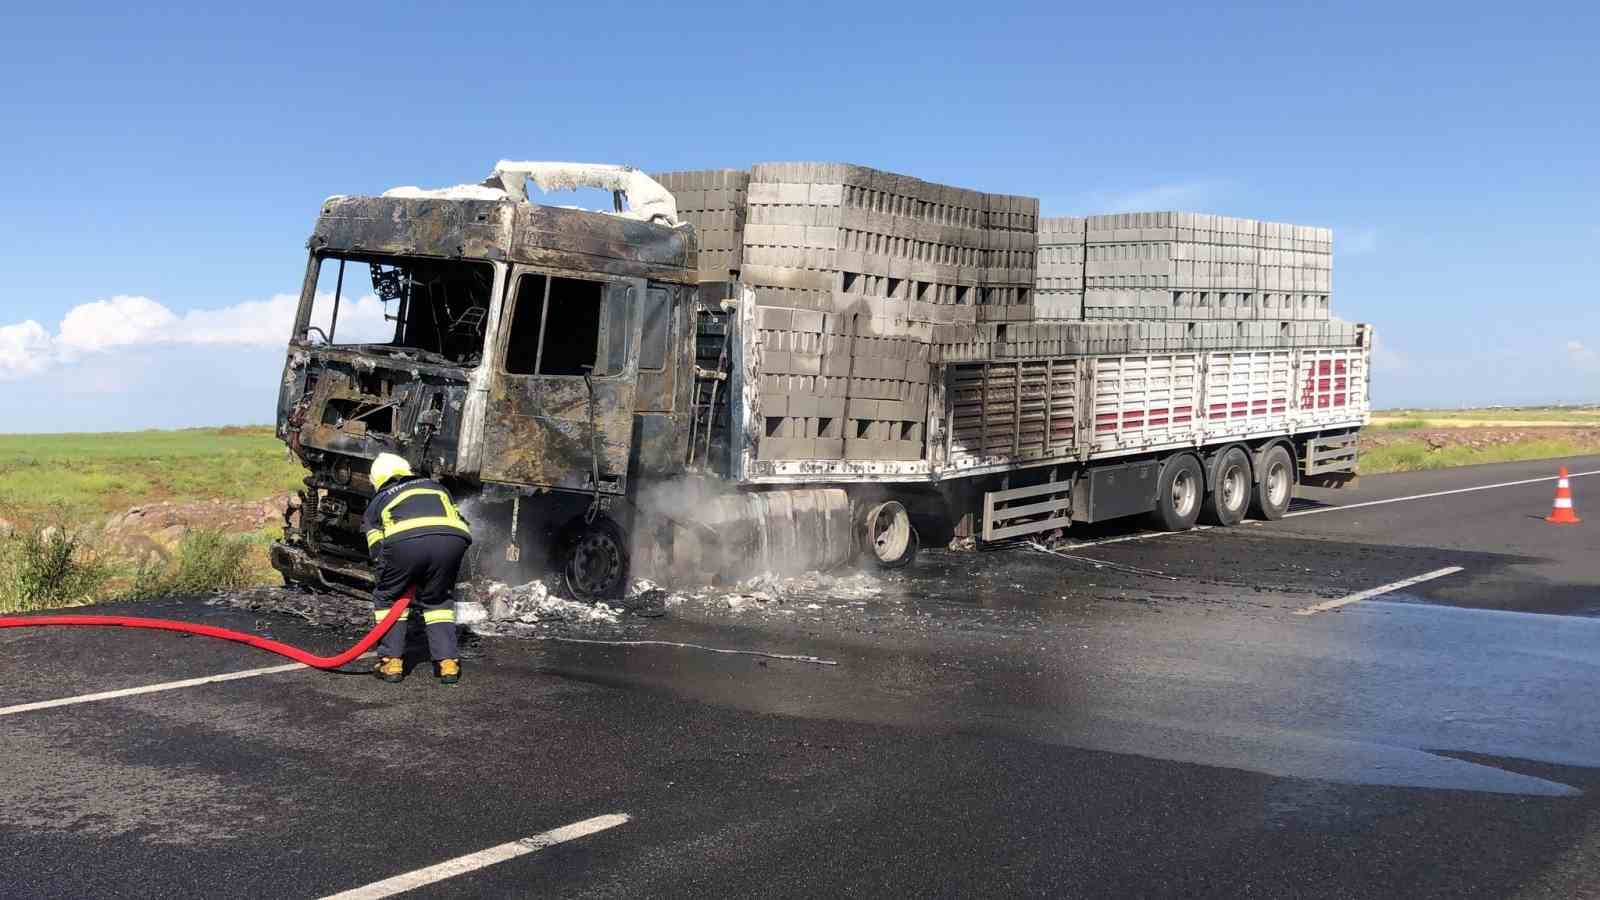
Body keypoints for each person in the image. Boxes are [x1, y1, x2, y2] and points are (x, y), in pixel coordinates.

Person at [363, 452, 473, 684]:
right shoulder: (435, 486)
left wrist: (393, 574)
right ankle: (448, 663)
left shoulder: (379, 500)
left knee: (388, 598)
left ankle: (391, 662)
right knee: (438, 601)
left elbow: (376, 549)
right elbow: (458, 520)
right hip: (453, 540)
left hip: (406, 544)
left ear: (379, 480)